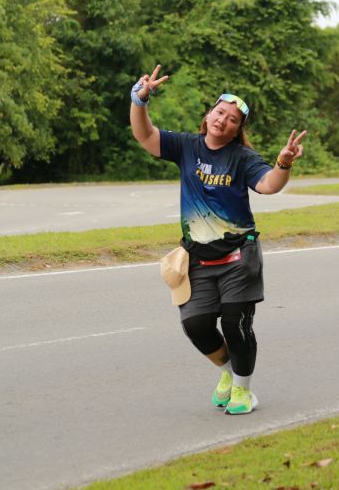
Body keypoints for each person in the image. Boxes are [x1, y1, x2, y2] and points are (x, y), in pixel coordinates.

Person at [130, 64, 307, 415]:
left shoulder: (242, 158)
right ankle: (228, 371)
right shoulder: (186, 146)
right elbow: (145, 136)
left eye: (232, 119)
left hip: (239, 256)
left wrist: (283, 164)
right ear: (209, 114)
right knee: (195, 324)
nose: (223, 120)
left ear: (238, 129)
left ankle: (242, 389)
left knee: (234, 323)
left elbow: (268, 185)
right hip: (198, 258)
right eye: (220, 112)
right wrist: (139, 100)